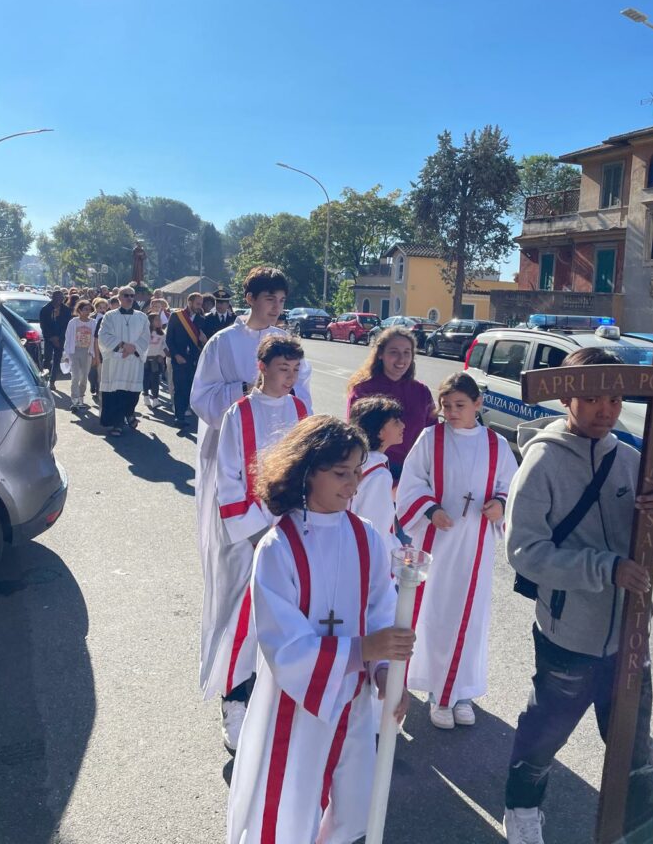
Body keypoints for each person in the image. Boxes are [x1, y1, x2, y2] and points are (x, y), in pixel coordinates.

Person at [503, 348, 653, 844]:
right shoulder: (541, 461)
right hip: (568, 635)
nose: (607, 409)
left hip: (631, 635)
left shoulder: (630, 458)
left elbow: (650, 554)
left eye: (616, 397)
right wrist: (605, 569)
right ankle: (520, 810)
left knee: (634, 752)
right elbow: (523, 551)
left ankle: (646, 836)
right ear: (566, 397)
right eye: (594, 396)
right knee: (545, 736)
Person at [226, 415, 413, 844]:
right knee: (287, 806)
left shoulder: (367, 537)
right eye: (340, 473)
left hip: (355, 699)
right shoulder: (279, 547)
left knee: (354, 803)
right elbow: (283, 644)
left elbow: (381, 609)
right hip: (297, 704)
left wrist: (385, 669)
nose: (353, 485)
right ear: (307, 472)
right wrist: (363, 649)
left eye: (357, 473)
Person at [396, 372, 517, 730]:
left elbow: (512, 489)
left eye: (459, 405)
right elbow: (411, 482)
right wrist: (431, 510)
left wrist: (500, 503)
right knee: (435, 616)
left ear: (479, 404)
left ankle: (461, 692)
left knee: (471, 618)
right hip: (437, 543)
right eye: (446, 405)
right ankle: (437, 691)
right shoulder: (431, 438)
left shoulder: (496, 445)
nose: (450, 412)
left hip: (475, 548)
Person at [206, 335, 311, 750]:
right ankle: (234, 698)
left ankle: (278, 697)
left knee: (286, 613)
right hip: (248, 534)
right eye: (283, 369)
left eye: (295, 371)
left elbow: (308, 468)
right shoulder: (239, 414)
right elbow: (228, 478)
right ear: (262, 367)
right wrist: (254, 533)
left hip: (290, 530)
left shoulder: (301, 409)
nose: (290, 378)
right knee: (242, 616)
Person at [347, 327, 437, 481]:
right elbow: (356, 437)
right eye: (394, 352)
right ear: (381, 354)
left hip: (416, 471)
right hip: (377, 470)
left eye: (407, 352)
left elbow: (433, 433)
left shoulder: (421, 391)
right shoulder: (363, 390)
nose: (401, 359)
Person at [347, 394, 404, 552]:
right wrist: (397, 549)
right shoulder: (379, 475)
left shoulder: (357, 461)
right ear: (379, 432)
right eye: (396, 422)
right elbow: (376, 530)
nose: (403, 426)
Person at [98, 286, 151, 437]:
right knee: (116, 393)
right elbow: (103, 336)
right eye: (126, 295)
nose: (129, 298)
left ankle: (130, 413)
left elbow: (145, 337)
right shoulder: (109, 316)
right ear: (119, 298)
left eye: (132, 296)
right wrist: (122, 345)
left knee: (132, 392)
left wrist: (133, 348)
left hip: (133, 359)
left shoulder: (142, 317)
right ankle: (117, 422)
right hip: (116, 361)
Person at [166, 292, 206, 427]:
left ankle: (187, 410)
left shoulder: (201, 318)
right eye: (198, 304)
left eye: (201, 304)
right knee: (179, 388)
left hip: (194, 359)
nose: (200, 306)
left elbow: (202, 342)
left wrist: (203, 341)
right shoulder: (176, 316)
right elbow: (169, 339)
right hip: (179, 358)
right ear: (189, 302)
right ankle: (179, 416)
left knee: (190, 387)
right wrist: (176, 355)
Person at [63, 300, 97, 413]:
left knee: (83, 377)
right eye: (85, 309)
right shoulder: (73, 322)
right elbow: (68, 338)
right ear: (79, 310)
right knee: (75, 376)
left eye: (89, 309)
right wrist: (66, 354)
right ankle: (74, 400)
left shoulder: (93, 323)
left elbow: (96, 340)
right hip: (74, 351)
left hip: (87, 352)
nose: (87, 312)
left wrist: (95, 355)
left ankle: (81, 396)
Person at [39, 289, 72, 389]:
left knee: (57, 360)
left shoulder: (66, 310)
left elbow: (66, 326)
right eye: (56, 298)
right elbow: (43, 325)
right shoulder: (45, 309)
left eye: (61, 298)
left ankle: (52, 381)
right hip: (49, 338)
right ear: (52, 298)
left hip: (60, 338)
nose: (59, 300)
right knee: (47, 359)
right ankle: (45, 379)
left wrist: (59, 338)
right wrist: (51, 337)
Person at [142, 311, 166, 410]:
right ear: (150, 321)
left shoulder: (162, 334)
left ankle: (155, 398)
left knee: (155, 379)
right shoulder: (145, 333)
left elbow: (164, 345)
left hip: (156, 360)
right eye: (156, 319)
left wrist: (162, 355)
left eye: (159, 319)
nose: (159, 321)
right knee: (146, 379)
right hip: (145, 360)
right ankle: (146, 395)